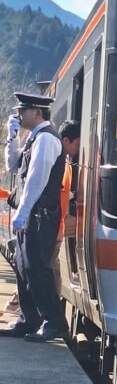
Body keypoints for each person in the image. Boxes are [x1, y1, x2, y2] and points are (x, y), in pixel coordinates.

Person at [0, 93, 68, 342]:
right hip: (31, 214)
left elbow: (37, 179)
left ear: (37, 112)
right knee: (23, 268)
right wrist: (12, 137)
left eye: (23, 111)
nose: (19, 115)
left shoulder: (47, 139)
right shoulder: (34, 137)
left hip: (40, 215)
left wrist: (23, 211)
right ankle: (29, 319)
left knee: (37, 267)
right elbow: (13, 166)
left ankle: (53, 322)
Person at [51, 121, 80, 297]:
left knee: (51, 271)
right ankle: (51, 311)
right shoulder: (57, 161)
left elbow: (63, 192)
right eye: (77, 144)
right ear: (66, 141)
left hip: (57, 228)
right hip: (51, 229)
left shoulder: (65, 162)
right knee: (49, 272)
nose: (78, 149)